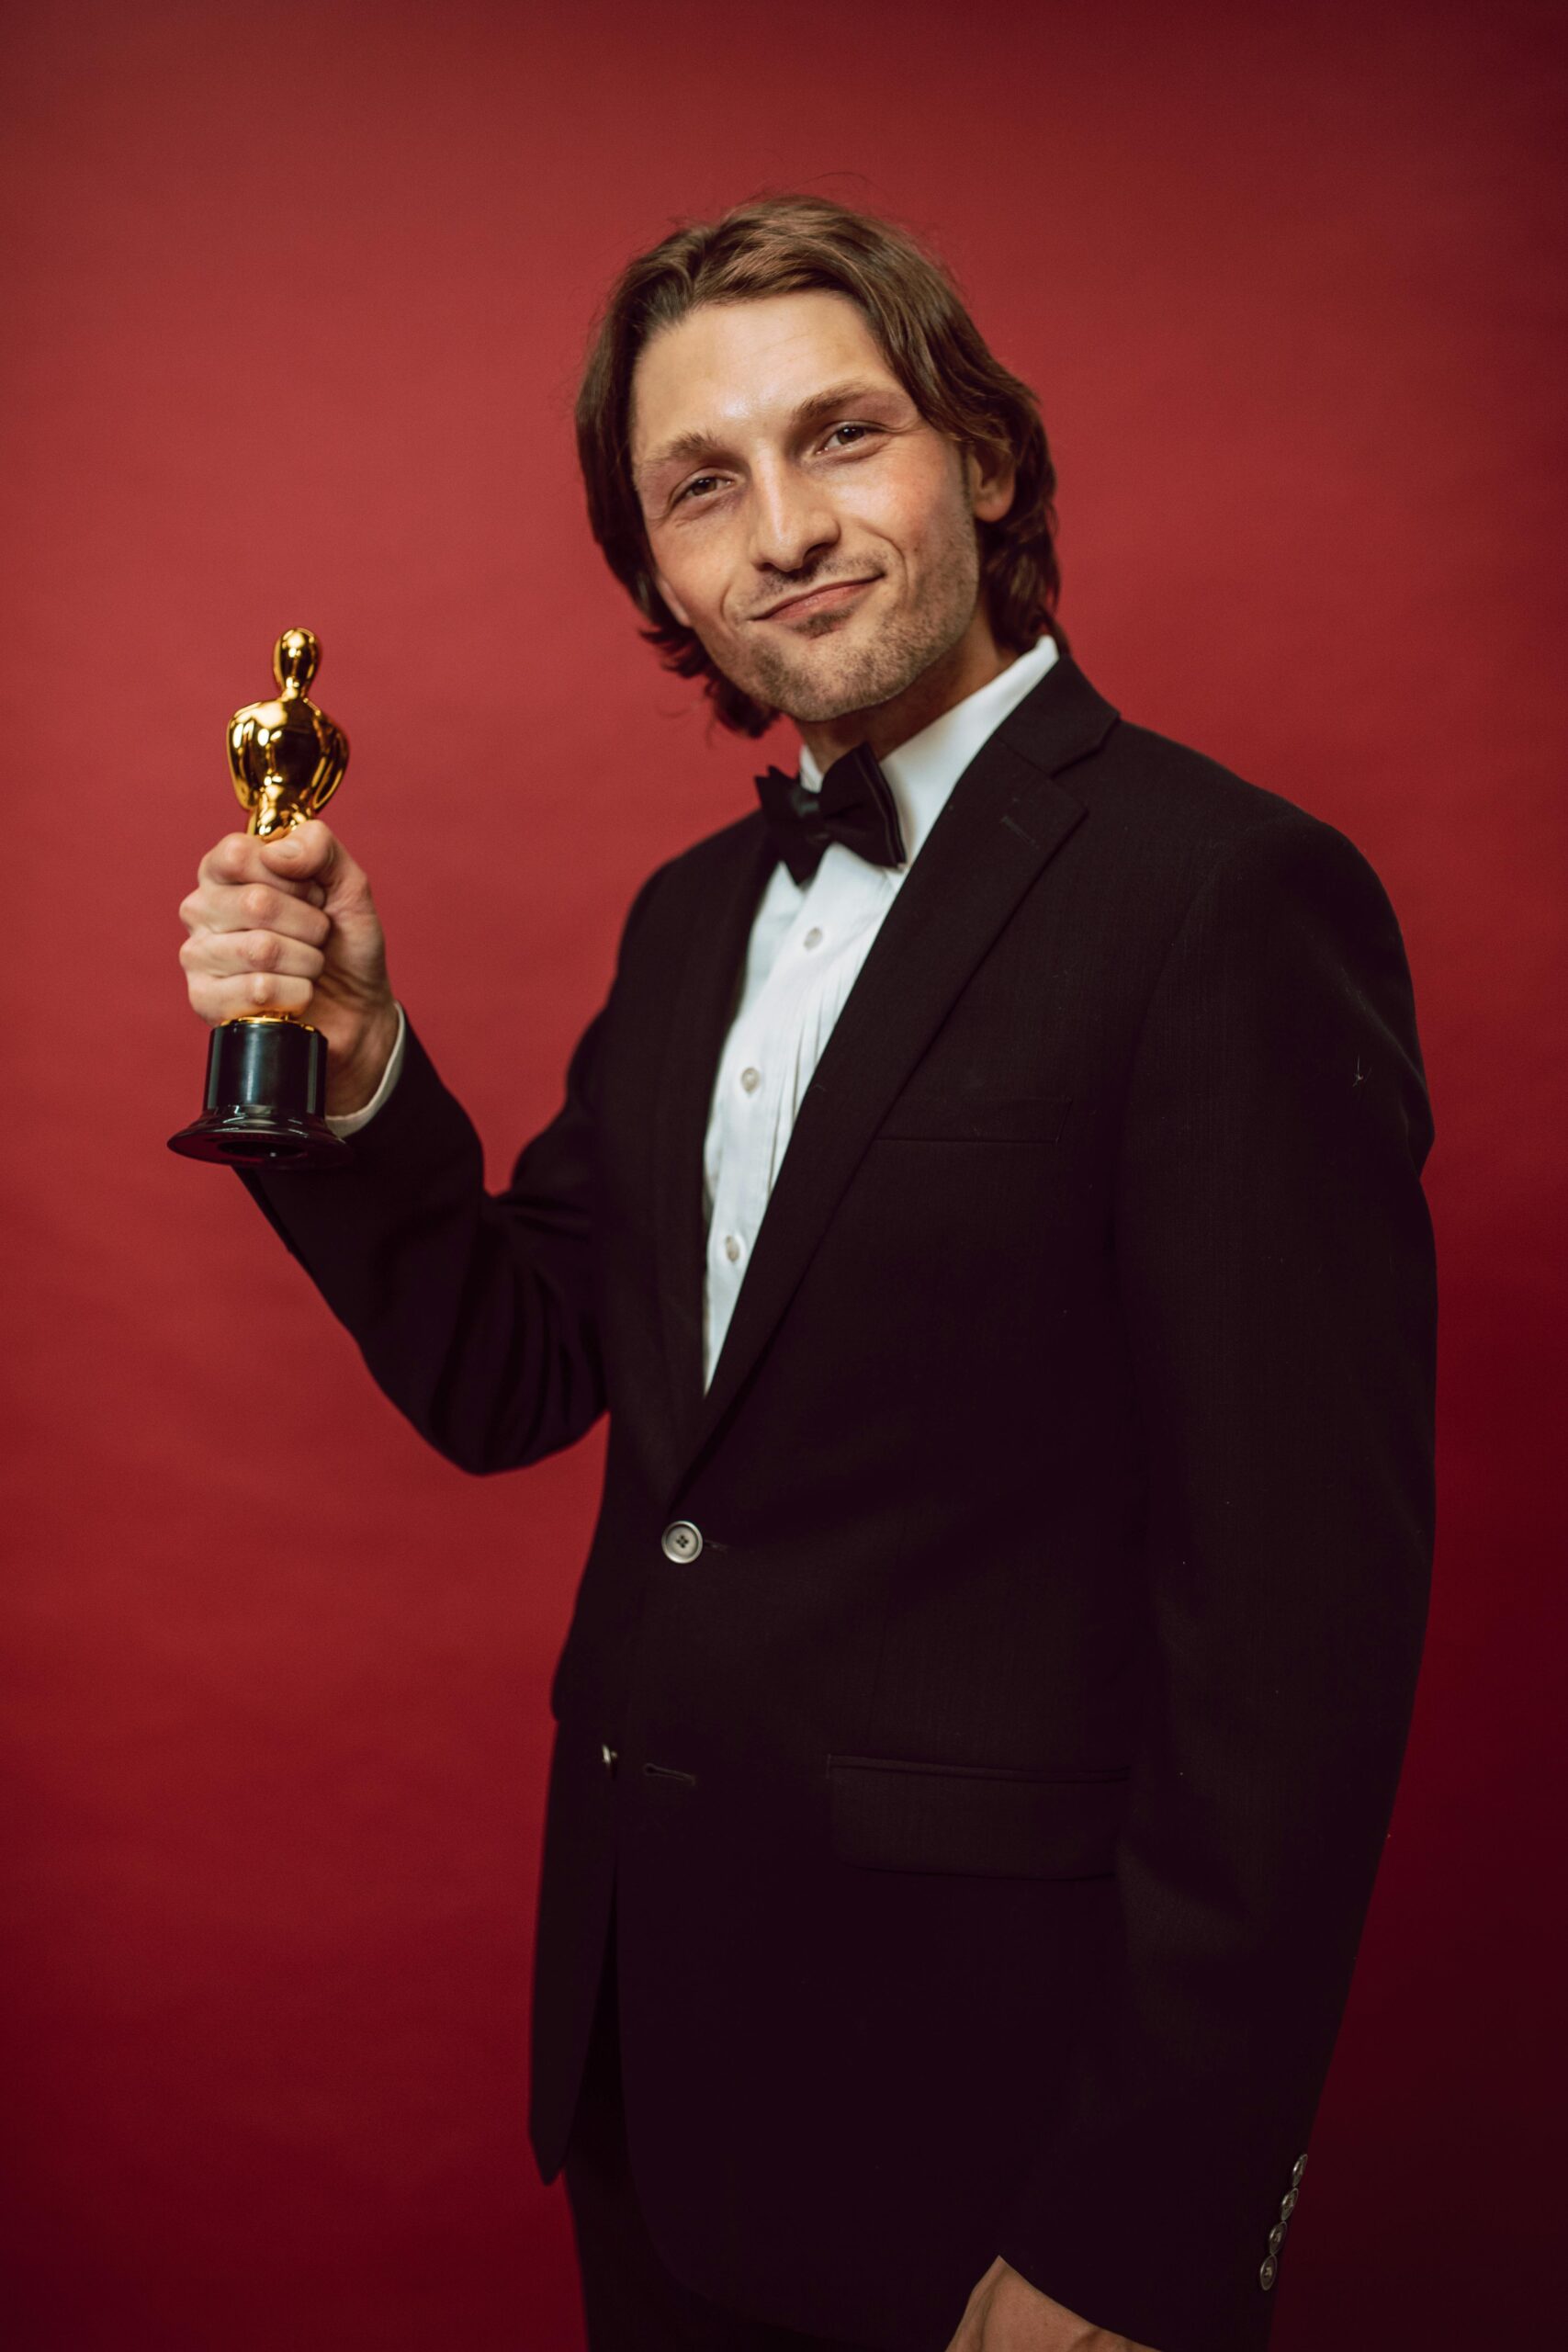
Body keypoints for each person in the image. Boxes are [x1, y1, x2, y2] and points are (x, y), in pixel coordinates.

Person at [175, 196, 1437, 2352]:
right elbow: (518, 1368)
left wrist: (1147, 2220)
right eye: (700, 485)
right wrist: (360, 1071)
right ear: (654, 570)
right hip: (654, 2086)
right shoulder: (688, 921)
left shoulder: (1227, 897)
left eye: (837, 437)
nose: (781, 528)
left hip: (1009, 2139)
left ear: (983, 457)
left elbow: (1296, 1655)